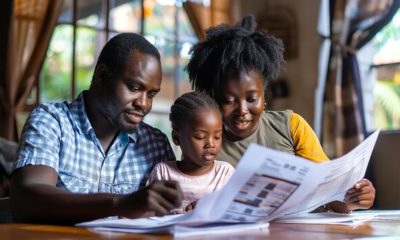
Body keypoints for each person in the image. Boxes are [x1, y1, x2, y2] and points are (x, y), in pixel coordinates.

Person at [186, 15, 375, 213]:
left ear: (263, 97)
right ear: (214, 100)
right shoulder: (203, 143)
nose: (242, 110)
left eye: (251, 99)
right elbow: (191, 199)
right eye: (229, 100)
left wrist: (354, 198)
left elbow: (329, 196)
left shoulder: (292, 126)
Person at [10, 33, 183, 224]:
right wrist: (120, 203)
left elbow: (170, 216)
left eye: (151, 94)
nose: (143, 104)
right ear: (102, 76)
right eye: (134, 88)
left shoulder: (156, 144)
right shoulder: (51, 122)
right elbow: (26, 200)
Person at [147, 91, 235, 214]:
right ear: (177, 138)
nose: (211, 143)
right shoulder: (163, 173)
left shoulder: (225, 174)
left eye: (217, 136)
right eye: (200, 137)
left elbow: (235, 212)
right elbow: (149, 213)